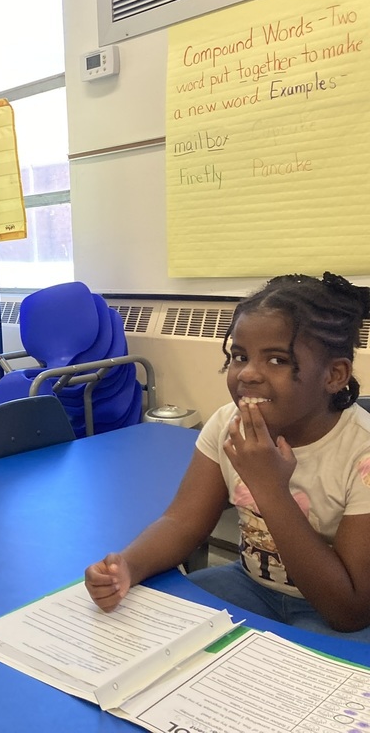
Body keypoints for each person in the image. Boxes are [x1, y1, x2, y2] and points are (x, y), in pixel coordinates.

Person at [85, 272, 370, 642]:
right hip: (249, 585)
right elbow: (182, 523)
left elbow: (348, 611)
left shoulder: (361, 451)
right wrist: (128, 565)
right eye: (239, 356)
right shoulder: (226, 424)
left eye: (278, 360)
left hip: (330, 609)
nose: (248, 374)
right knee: (146, 625)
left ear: (334, 375)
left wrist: (271, 489)